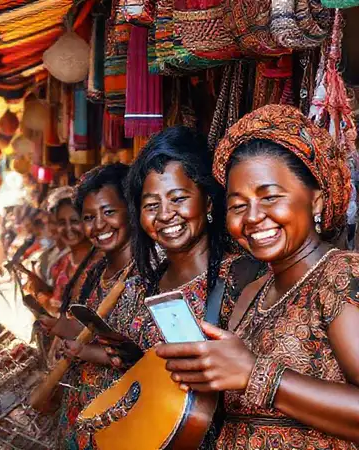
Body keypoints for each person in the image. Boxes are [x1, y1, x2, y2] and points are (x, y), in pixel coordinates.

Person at [156, 105, 359, 448]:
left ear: (317, 202)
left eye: (270, 197)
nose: (252, 217)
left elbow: (253, 376)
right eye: (237, 205)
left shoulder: (340, 275)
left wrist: (256, 374)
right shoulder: (252, 291)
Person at [88, 127, 263, 448]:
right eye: (151, 204)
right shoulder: (139, 286)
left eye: (179, 198)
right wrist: (135, 359)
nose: (166, 215)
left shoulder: (244, 278)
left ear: (208, 201)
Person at [38, 164, 136, 449]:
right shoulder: (98, 273)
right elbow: (94, 330)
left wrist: (86, 352)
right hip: (81, 412)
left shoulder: (147, 274)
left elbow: (145, 356)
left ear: (130, 210)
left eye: (109, 212)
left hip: (117, 418)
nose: (99, 225)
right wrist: (60, 327)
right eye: (89, 217)